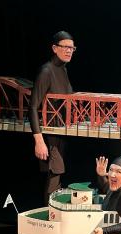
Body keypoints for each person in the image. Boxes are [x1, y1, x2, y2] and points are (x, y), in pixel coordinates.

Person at [28, 30, 76, 205]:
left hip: (61, 132)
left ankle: (55, 212)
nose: (69, 51)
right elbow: (32, 107)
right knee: (54, 174)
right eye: (65, 47)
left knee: (58, 174)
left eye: (72, 48)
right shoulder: (46, 71)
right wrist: (38, 140)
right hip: (49, 135)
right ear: (54, 48)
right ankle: (51, 215)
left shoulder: (63, 70)